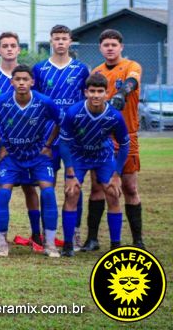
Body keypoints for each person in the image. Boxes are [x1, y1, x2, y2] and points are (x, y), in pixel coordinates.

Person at [0, 65, 63, 258]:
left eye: (25, 79)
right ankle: (2, 243)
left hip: (38, 156)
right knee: (3, 194)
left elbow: (61, 121)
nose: (21, 83)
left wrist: (48, 145)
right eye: (17, 79)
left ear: (32, 82)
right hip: (11, 156)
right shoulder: (1, 101)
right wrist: (1, 145)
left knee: (48, 193)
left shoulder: (44, 101)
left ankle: (49, 243)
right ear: (11, 82)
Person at [84, 29, 145, 250]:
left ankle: (138, 240)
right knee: (97, 187)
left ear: (121, 47)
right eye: (106, 45)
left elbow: (132, 82)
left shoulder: (131, 66)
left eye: (114, 44)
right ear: (100, 48)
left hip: (127, 135)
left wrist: (122, 93)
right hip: (102, 137)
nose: (110, 48)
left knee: (129, 187)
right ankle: (92, 239)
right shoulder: (97, 71)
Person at [0, 32, 43, 251]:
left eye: (13, 45)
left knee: (30, 188)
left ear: (18, 49)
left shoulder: (28, 74)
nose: (9, 49)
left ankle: (37, 234)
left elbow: (37, 105)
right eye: (5, 46)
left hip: (28, 144)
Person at [59, 74, 130, 257]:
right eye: (92, 91)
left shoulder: (114, 116)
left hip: (103, 156)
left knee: (113, 193)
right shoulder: (73, 112)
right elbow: (64, 143)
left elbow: (124, 145)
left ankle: (115, 246)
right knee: (72, 193)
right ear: (86, 92)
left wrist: (117, 175)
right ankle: (68, 245)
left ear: (107, 93)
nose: (96, 95)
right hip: (79, 156)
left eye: (100, 91)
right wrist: (70, 174)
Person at [33, 25, 89, 250]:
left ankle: (74, 234)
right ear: (51, 41)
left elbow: (86, 100)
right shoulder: (40, 69)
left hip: (74, 138)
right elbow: (36, 102)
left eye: (64, 39)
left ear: (70, 41)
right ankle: (47, 234)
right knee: (47, 186)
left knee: (74, 185)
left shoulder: (81, 69)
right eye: (56, 39)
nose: (60, 42)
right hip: (47, 137)